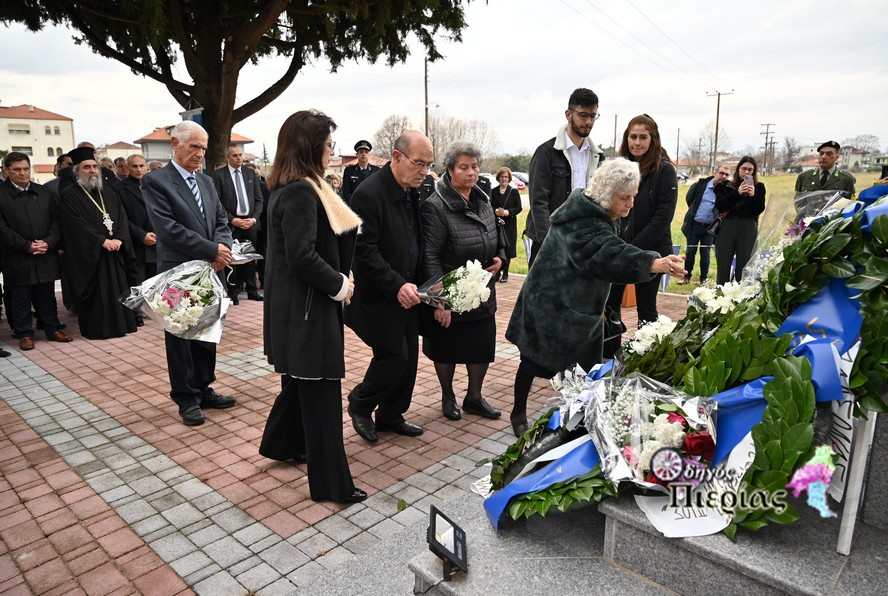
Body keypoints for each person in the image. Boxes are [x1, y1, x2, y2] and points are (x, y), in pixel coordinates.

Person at [506, 158, 686, 436]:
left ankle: (573, 417)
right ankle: (518, 413)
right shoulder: (583, 222)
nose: (631, 203)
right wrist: (654, 263)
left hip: (572, 305)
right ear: (606, 193)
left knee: (577, 370)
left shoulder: (597, 213)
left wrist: (653, 261)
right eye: (625, 197)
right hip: (552, 307)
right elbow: (608, 253)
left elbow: (611, 248)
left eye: (634, 196)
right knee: (533, 362)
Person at [259, 109, 367, 504]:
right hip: (308, 313)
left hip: (294, 311)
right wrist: (341, 284)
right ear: (311, 148)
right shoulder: (303, 192)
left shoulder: (289, 188)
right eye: (329, 145)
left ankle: (279, 444)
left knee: (298, 386)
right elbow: (302, 257)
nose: (332, 151)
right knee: (321, 399)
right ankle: (332, 487)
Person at [142, 121, 236, 427]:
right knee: (181, 336)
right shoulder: (156, 182)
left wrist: (222, 247)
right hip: (178, 272)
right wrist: (212, 250)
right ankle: (186, 398)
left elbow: (221, 218)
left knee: (206, 332)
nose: (200, 154)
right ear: (174, 143)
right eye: (194, 146)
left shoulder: (206, 182)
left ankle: (204, 387)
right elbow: (168, 229)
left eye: (204, 148)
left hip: (211, 269)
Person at [344, 130, 434, 443]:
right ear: (397, 157)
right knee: (393, 356)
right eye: (419, 163)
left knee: (409, 358)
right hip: (380, 295)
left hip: (410, 293)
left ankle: (391, 414)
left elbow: (416, 240)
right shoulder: (368, 194)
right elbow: (364, 251)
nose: (424, 171)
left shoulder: (413, 189)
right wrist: (396, 285)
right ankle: (361, 403)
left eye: (428, 165)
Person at [421, 142, 505, 422]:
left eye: (475, 166)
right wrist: (439, 301)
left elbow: (497, 236)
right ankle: (448, 395)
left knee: (481, 343)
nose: (472, 172)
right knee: (447, 346)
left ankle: (474, 397)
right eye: (464, 167)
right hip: (451, 287)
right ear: (450, 170)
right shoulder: (436, 206)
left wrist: (500, 258)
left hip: (482, 288)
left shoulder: (483, 199)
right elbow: (430, 255)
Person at [602, 114, 677, 359]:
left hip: (651, 250)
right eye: (633, 137)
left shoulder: (664, 170)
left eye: (643, 137)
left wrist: (631, 251)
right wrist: (618, 249)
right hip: (620, 247)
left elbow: (661, 218)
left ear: (652, 139)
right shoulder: (620, 169)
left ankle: (649, 359)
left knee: (646, 308)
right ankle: (610, 357)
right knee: (610, 304)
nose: (637, 142)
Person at [59, 147, 138, 340]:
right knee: (98, 296)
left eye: (95, 166)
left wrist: (119, 238)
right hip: (92, 256)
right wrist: (101, 241)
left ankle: (122, 325)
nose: (93, 171)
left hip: (115, 252)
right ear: (77, 171)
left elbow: (121, 217)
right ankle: (98, 329)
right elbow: (75, 225)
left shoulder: (109, 193)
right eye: (87, 167)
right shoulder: (70, 195)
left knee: (119, 290)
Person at [0, 152, 73, 351]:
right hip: (17, 256)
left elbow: (57, 221)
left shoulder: (44, 192)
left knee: (46, 294)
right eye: (17, 170)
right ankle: (24, 333)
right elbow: (2, 228)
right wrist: (26, 245)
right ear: (6, 170)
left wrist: (48, 243)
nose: (23, 173)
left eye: (25, 168)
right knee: (20, 296)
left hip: (44, 253)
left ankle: (52, 328)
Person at [525, 88, 605, 266]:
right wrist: (550, 244)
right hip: (549, 243)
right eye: (583, 115)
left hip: (583, 243)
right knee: (543, 294)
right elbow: (539, 203)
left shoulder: (598, 156)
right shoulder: (546, 153)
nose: (589, 121)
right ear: (568, 114)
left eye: (593, 116)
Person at [211, 144, 265, 304]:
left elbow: (259, 198)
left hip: (250, 223)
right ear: (227, 157)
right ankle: (233, 292)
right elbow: (217, 202)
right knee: (231, 259)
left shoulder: (250, 173)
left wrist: (254, 218)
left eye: (240, 155)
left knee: (249, 258)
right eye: (234, 155)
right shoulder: (218, 175)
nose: (239, 158)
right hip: (231, 224)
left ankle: (251, 290)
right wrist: (232, 219)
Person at [117, 154, 156, 326]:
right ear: (127, 167)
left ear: (147, 167)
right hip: (136, 241)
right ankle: (136, 314)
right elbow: (122, 217)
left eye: (141, 165)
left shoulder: (156, 186)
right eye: (134, 166)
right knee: (136, 279)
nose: (139, 169)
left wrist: (160, 232)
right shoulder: (119, 188)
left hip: (157, 239)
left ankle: (155, 309)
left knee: (155, 278)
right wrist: (141, 235)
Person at [714, 156, 766, 285]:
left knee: (745, 265)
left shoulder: (759, 187)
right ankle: (720, 296)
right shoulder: (725, 186)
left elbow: (758, 210)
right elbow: (720, 205)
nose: (747, 172)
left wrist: (753, 196)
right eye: (744, 169)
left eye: (750, 170)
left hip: (748, 227)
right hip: (727, 226)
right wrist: (737, 193)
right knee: (723, 264)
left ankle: (742, 297)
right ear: (738, 169)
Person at [679, 164, 731, 285]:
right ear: (714, 172)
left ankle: (704, 279)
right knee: (690, 252)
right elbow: (689, 199)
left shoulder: (727, 190)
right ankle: (686, 277)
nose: (723, 176)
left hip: (710, 228)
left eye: (726, 175)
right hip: (695, 224)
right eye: (721, 173)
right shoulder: (700, 185)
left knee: (705, 253)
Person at [490, 167, 523, 283]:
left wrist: (507, 212)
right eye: (502, 177)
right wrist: (496, 211)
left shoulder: (513, 192)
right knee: (497, 247)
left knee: (508, 248)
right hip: (496, 223)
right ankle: (497, 271)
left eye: (506, 177)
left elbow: (519, 208)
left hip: (509, 224)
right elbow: (488, 206)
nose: (504, 179)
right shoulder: (493, 191)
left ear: (509, 179)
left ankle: (505, 272)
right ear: (498, 178)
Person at [341, 140, 380, 204]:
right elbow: (346, 192)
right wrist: (355, 205)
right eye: (361, 152)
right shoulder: (349, 171)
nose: (364, 154)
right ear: (357, 155)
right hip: (354, 207)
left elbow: (379, 191)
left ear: (369, 155)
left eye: (366, 152)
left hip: (372, 207)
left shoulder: (376, 171)